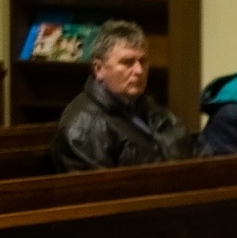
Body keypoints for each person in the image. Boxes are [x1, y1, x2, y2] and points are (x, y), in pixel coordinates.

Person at [50, 19, 192, 171]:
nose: (139, 71)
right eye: (127, 62)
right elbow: (99, 190)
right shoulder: (83, 128)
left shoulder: (150, 109)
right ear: (98, 69)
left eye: (143, 61)